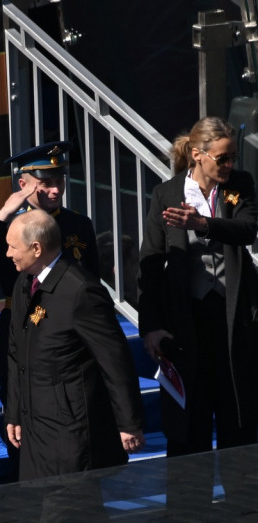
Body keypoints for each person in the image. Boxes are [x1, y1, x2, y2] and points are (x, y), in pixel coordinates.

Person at [138, 116, 258, 456]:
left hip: (233, 315)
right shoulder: (167, 193)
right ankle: (188, 506)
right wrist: (150, 325)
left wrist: (204, 224)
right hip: (186, 319)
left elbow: (248, 228)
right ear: (197, 154)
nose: (230, 164)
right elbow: (150, 262)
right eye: (223, 158)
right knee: (189, 423)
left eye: (233, 157)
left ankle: (244, 507)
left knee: (239, 417)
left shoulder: (239, 185)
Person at [0, 141, 99, 408]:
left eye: (59, 180)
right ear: (24, 185)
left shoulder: (78, 224)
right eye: (45, 183)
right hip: (21, 328)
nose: (56, 190)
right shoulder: (7, 224)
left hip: (72, 331)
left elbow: (92, 279)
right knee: (20, 420)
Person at [4, 209, 144, 480]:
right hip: (35, 427)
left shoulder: (80, 291)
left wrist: (129, 422)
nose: (8, 253)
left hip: (71, 430)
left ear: (36, 248)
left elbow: (115, 360)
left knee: (68, 507)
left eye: (12, 247)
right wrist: (14, 412)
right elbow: (15, 352)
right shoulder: (24, 283)